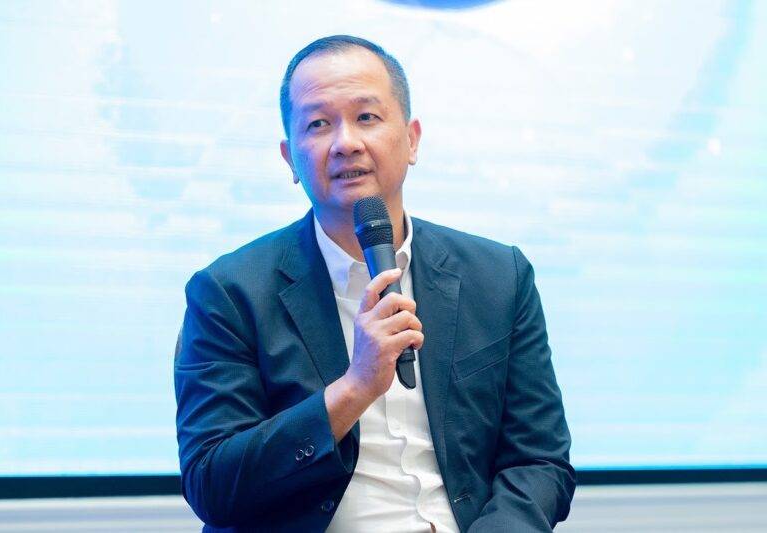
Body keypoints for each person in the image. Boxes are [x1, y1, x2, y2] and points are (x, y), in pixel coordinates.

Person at [174, 35, 575, 532]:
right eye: (318, 124)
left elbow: (539, 460)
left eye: (366, 117)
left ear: (412, 139)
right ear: (289, 158)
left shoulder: (498, 276)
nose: (346, 142)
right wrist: (353, 389)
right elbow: (213, 484)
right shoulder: (228, 293)